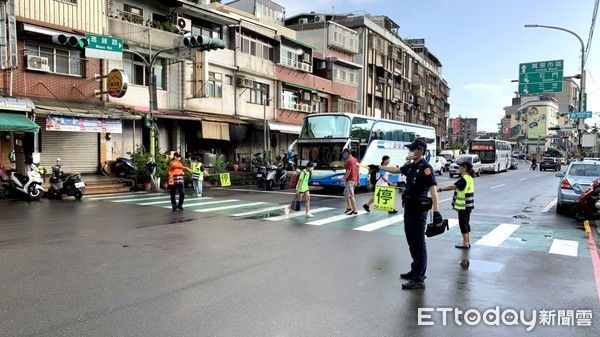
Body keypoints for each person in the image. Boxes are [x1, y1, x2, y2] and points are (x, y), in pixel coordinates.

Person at [370, 139, 442, 290]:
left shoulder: (425, 168)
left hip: (418, 210)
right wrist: (378, 167)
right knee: (411, 240)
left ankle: (419, 279)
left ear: (420, 151)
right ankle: (415, 269)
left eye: (413, 149)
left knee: (418, 243)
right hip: (409, 209)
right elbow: (396, 170)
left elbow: (433, 190)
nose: (410, 151)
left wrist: (436, 212)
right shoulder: (411, 166)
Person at [437, 161, 475, 249]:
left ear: (464, 168)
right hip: (468, 206)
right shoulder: (469, 178)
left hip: (463, 206)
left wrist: (440, 189)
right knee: (466, 223)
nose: (459, 168)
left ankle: (465, 242)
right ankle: (467, 241)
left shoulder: (464, 179)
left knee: (463, 224)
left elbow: (453, 187)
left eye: (460, 167)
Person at [341, 148, 359, 215]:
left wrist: (344, 180)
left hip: (350, 180)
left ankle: (354, 210)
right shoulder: (355, 160)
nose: (343, 154)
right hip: (354, 180)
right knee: (346, 193)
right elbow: (357, 171)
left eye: (344, 153)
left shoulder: (349, 161)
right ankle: (349, 207)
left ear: (347, 153)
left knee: (351, 195)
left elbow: (348, 171)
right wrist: (358, 180)